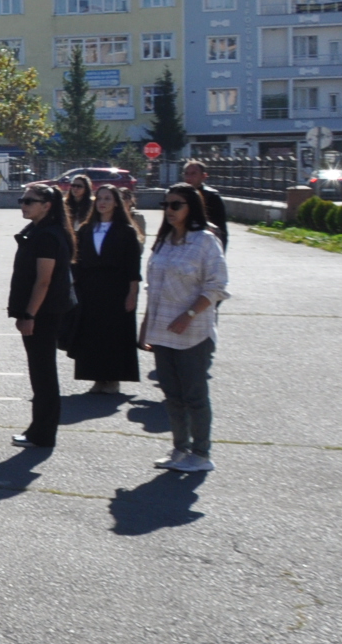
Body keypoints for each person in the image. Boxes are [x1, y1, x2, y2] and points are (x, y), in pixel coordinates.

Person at [140, 184, 228, 474]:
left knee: (194, 396)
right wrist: (145, 326)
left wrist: (189, 314)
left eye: (176, 205)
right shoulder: (164, 240)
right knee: (172, 395)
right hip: (162, 331)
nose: (169, 210)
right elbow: (153, 287)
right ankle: (180, 449)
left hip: (193, 333)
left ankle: (201, 453)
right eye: (166, 204)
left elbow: (216, 286)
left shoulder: (205, 241)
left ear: (191, 207)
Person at [7, 184, 77, 449]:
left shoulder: (47, 235)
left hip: (44, 313)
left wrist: (29, 314)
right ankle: (38, 429)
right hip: (43, 312)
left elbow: (43, 281)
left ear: (47, 206)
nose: (23, 205)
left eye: (29, 201)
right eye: (22, 200)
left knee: (43, 374)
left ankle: (43, 433)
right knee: (41, 373)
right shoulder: (39, 230)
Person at [69, 185, 142, 393]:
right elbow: (77, 261)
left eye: (108, 198)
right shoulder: (86, 229)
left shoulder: (126, 231)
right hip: (90, 288)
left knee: (114, 334)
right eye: (99, 198)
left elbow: (132, 267)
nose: (102, 202)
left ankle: (113, 378)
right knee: (92, 334)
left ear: (116, 203)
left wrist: (132, 293)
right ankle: (97, 378)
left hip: (116, 289)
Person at [180, 160, 229, 249]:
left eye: (193, 174)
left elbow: (220, 229)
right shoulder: (177, 195)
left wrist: (220, 251)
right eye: (186, 174)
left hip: (204, 245)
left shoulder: (212, 196)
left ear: (204, 176)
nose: (189, 177)